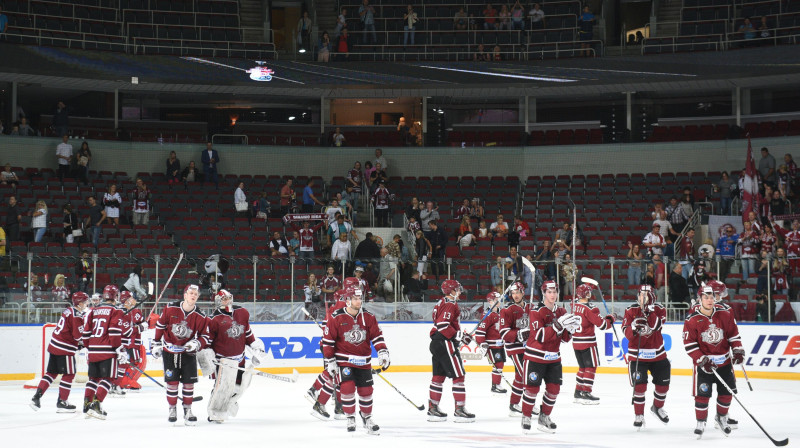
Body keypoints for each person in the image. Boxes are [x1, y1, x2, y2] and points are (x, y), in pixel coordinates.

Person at [322, 285, 390, 434]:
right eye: (355, 298)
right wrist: (330, 360)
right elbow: (328, 341)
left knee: (366, 391)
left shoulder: (369, 317)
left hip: (363, 361)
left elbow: (377, 336)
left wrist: (383, 351)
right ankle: (350, 417)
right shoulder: (336, 317)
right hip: (344, 361)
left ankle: (367, 418)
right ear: (347, 300)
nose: (359, 301)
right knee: (347, 388)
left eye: (360, 298)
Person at [683, 284, 744, 438]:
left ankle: (721, 418)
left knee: (727, 393)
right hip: (704, 366)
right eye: (706, 297)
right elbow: (689, 345)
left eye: (711, 297)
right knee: (702, 395)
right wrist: (703, 360)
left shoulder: (725, 314)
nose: (710, 300)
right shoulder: (692, 320)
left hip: (724, 363)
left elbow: (733, 335)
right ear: (700, 299)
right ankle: (701, 422)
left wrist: (737, 350)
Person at [520, 280, 578, 433]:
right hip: (535, 357)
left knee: (554, 389)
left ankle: (544, 417)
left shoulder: (561, 311)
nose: (552, 295)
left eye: (555, 292)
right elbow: (539, 336)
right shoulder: (536, 311)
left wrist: (571, 330)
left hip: (553, 358)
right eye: (549, 292)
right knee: (532, 389)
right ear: (544, 293)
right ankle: (526, 416)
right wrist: (558, 325)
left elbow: (564, 339)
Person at [200, 289, 265, 423]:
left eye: (229, 298)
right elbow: (207, 342)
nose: (227, 301)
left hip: (240, 359)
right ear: (218, 301)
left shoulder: (242, 312)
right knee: (221, 388)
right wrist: (208, 357)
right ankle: (214, 411)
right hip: (223, 361)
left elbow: (247, 334)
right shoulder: (213, 319)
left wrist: (256, 348)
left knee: (240, 387)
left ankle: (227, 404)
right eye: (224, 299)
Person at [152, 284, 207, 425]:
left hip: (188, 354)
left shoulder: (200, 315)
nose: (193, 296)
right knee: (172, 383)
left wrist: (196, 343)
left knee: (189, 384)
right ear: (185, 295)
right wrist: (156, 343)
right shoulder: (171, 308)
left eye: (196, 294)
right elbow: (160, 325)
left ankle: (188, 410)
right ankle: (172, 409)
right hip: (170, 353)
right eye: (191, 293)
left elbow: (205, 336)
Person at [29, 291, 90, 413]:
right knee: (69, 374)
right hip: (64, 349)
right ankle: (62, 401)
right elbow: (78, 337)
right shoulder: (77, 316)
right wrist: (88, 342)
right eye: (85, 302)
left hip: (54, 345)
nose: (86, 304)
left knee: (51, 373)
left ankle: (36, 398)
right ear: (79, 303)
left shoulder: (68, 311)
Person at [622, 285, 671, 430]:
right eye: (641, 294)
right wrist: (633, 328)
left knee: (663, 386)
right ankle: (639, 415)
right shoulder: (630, 310)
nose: (643, 298)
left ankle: (657, 407)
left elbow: (656, 326)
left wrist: (650, 311)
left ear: (652, 297)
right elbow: (626, 332)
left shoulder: (660, 309)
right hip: (638, 356)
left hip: (658, 355)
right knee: (640, 386)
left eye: (646, 295)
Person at [427, 280, 475, 423]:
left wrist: (460, 336)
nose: (460, 292)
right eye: (457, 289)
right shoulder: (450, 304)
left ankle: (433, 409)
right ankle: (460, 410)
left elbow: (441, 325)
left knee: (438, 377)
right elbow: (443, 325)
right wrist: (458, 336)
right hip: (445, 342)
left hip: (437, 342)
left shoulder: (441, 302)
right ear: (451, 291)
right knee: (459, 376)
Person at [81, 285, 130, 419]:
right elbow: (114, 332)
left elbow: (86, 332)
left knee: (93, 378)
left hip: (93, 349)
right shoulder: (116, 311)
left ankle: (87, 404)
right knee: (108, 378)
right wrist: (119, 348)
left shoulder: (94, 310)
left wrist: (90, 347)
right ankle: (96, 404)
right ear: (116, 296)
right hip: (107, 350)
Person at [571, 283, 615, 404]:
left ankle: (578, 392)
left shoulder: (574, 305)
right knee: (590, 367)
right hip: (587, 342)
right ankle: (586, 393)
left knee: (582, 367)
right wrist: (611, 319)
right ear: (586, 294)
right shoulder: (590, 308)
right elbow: (603, 325)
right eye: (589, 292)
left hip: (576, 342)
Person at [499, 281, 529, 415]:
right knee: (526, 375)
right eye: (513, 293)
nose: (515, 295)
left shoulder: (530, 307)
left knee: (520, 376)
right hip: (515, 348)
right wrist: (519, 334)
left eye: (517, 292)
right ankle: (528, 404)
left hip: (528, 348)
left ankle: (514, 405)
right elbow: (503, 332)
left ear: (523, 292)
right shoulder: (507, 310)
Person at [116, 290, 148, 392]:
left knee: (124, 363)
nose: (134, 300)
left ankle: (120, 382)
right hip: (128, 343)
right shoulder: (128, 311)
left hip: (123, 343)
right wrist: (143, 326)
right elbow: (129, 330)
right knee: (132, 362)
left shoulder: (119, 310)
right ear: (127, 300)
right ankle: (125, 381)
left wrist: (145, 324)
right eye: (132, 298)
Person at [474, 291, 506, 393]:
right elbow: (480, 331)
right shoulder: (487, 315)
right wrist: (482, 344)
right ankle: (495, 385)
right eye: (496, 300)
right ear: (490, 301)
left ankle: (497, 384)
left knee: (500, 364)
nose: (498, 301)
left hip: (500, 344)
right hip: (492, 346)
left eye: (499, 299)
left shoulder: (502, 312)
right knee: (498, 364)